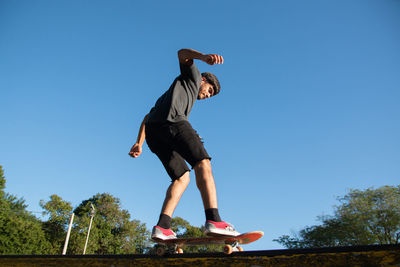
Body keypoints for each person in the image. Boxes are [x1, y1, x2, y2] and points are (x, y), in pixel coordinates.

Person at [129, 48, 239, 240]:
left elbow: (148, 116)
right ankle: (214, 219)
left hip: (155, 134)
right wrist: (204, 58)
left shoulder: (170, 96)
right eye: (209, 91)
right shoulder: (193, 77)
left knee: (182, 177)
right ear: (203, 81)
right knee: (203, 163)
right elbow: (181, 53)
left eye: (210, 96)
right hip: (173, 124)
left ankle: (163, 226)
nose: (207, 96)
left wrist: (139, 142)